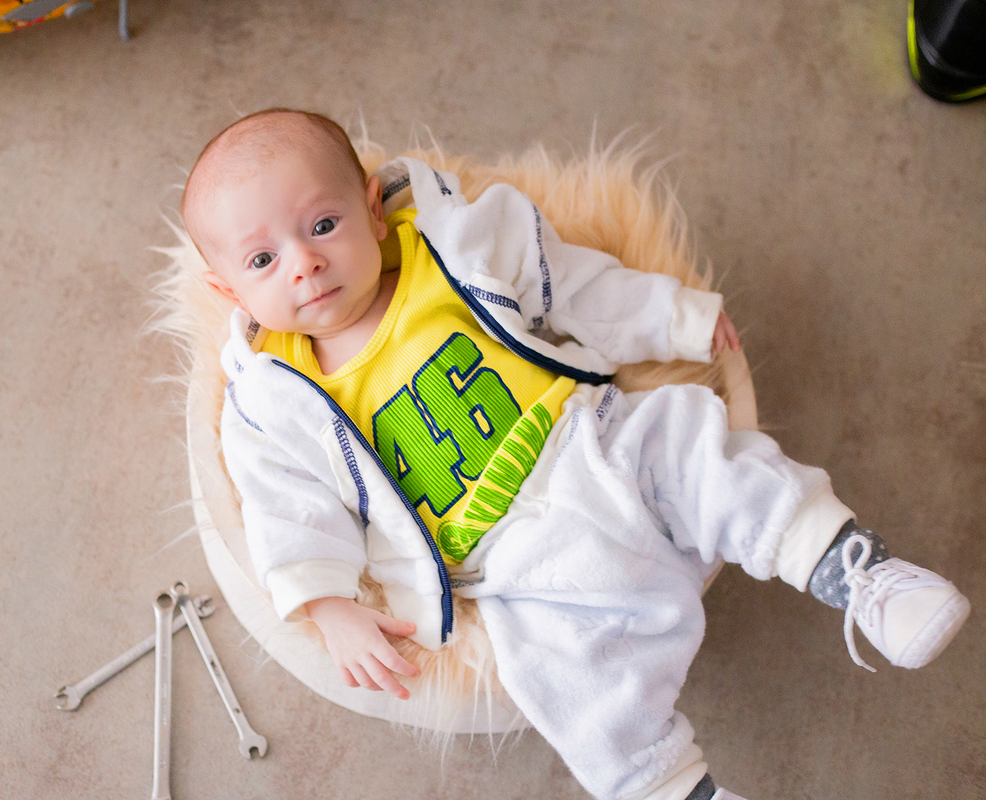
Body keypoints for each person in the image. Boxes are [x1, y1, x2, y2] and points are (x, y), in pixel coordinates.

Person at [180, 108, 970, 800]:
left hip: (591, 440)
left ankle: (857, 569)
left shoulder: (451, 247)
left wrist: (678, 321)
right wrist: (325, 604)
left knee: (698, 443)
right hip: (504, 560)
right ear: (227, 292)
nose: (304, 263)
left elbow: (575, 287)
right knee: (562, 677)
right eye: (262, 261)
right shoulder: (271, 399)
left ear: (370, 208)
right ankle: (674, 788)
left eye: (321, 226)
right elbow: (285, 505)